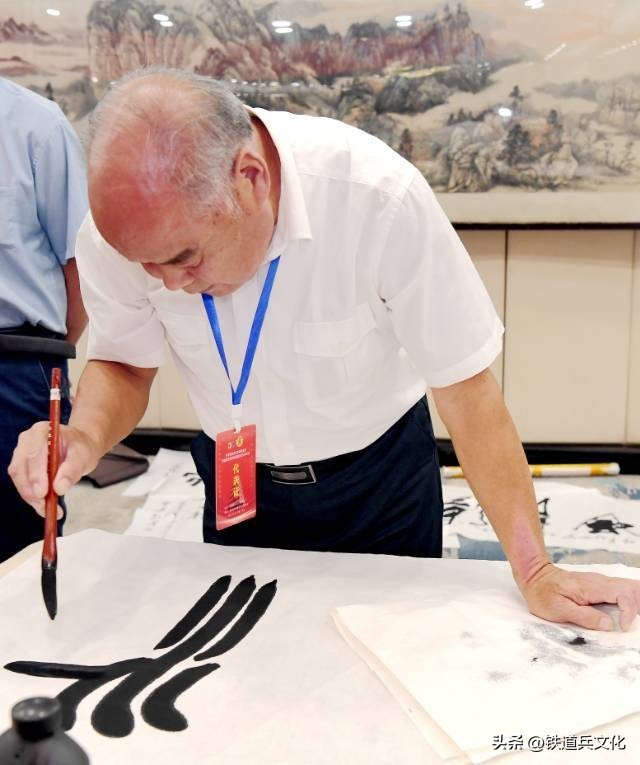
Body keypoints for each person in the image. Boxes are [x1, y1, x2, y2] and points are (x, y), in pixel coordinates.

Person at [9, 68, 640, 631]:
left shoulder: (375, 197)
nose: (167, 283)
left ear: (249, 180)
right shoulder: (122, 232)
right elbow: (124, 362)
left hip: (376, 481)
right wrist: (84, 436)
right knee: (246, 664)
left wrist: (534, 569)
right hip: (235, 481)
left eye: (185, 258)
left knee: (393, 662)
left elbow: (467, 393)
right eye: (146, 266)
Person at [0, 77, 88, 562]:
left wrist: (49, 353)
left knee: (22, 536)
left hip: (16, 367)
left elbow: (82, 263)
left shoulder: (36, 125)